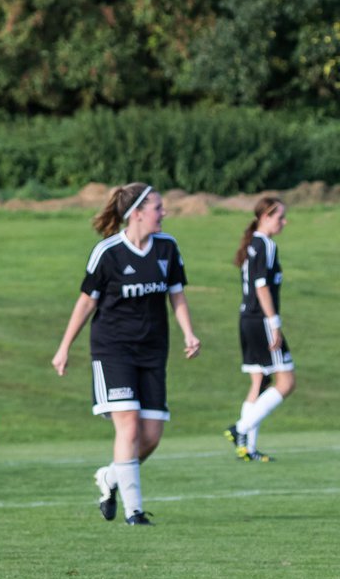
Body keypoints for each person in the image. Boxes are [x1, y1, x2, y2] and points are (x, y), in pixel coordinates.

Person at [52, 184, 201, 526]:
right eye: (157, 208)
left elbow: (176, 295)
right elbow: (86, 302)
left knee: (151, 437)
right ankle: (135, 511)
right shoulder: (107, 253)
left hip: (153, 351)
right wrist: (64, 347)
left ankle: (111, 478)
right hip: (112, 350)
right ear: (137, 213)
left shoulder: (167, 248)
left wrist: (189, 333)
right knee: (129, 427)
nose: (164, 213)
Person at [224, 197, 292, 462]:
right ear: (265, 216)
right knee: (286, 381)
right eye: (280, 217)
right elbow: (262, 286)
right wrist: (274, 322)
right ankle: (239, 429)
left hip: (247, 319)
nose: (283, 222)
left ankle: (247, 448)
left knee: (260, 381)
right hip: (261, 319)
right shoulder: (265, 244)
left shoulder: (252, 243)